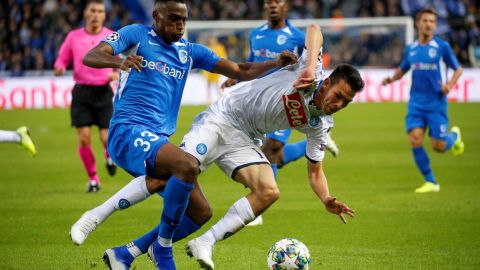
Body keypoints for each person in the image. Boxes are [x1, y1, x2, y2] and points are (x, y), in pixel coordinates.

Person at [94, 24, 362, 270]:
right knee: (173, 177)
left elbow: (315, 172)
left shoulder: (321, 123)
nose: (338, 104)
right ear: (327, 83)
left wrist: (326, 198)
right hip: (220, 119)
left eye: (346, 102)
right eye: (338, 96)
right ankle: (103, 224)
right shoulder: (311, 71)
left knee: (268, 191)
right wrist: (307, 66)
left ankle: (200, 243)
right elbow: (315, 29)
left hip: (245, 138)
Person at [69, 0, 297, 269]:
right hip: (127, 130)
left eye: (183, 20)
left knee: (201, 212)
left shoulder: (189, 52)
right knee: (187, 165)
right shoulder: (136, 35)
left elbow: (239, 70)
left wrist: (275, 63)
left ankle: (124, 255)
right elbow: (92, 56)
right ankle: (105, 221)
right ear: (157, 15)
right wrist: (120, 61)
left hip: (157, 139)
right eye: (174, 18)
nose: (180, 24)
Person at [222, 1, 339, 227]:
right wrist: (237, 77)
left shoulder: (296, 36)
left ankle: (258, 207)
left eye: (278, 1)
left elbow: (310, 58)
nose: (273, 5)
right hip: (258, 102)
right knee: (277, 157)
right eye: (269, 2)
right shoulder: (256, 34)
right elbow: (254, 62)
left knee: (271, 149)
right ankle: (317, 145)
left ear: (286, 6)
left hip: (286, 100)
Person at [382, 8, 464, 193]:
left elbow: (458, 69)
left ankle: (454, 137)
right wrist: (391, 79)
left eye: (432, 21)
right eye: (425, 20)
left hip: (436, 103)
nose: (428, 24)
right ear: (417, 24)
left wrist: (449, 85)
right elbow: (403, 69)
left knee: (439, 146)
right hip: (416, 103)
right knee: (415, 139)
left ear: (434, 25)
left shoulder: (442, 47)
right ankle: (431, 182)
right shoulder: (411, 49)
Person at [54, 0, 117, 193]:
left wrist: (116, 72)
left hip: (103, 92)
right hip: (81, 92)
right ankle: (94, 180)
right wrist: (60, 67)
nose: (96, 14)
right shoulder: (73, 37)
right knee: (84, 138)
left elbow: (120, 62)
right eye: (93, 11)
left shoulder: (111, 36)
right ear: (86, 13)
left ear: (104, 15)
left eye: (100, 11)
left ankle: (109, 156)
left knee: (106, 136)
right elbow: (62, 58)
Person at [202, 36, 228, 104]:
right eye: (210, 40)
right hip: (208, 68)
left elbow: (223, 56)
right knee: (208, 84)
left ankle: (220, 96)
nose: (212, 41)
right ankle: (209, 98)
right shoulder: (207, 47)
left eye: (213, 40)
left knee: (216, 83)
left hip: (216, 67)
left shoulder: (219, 47)